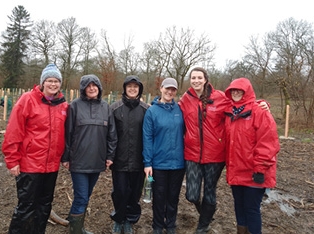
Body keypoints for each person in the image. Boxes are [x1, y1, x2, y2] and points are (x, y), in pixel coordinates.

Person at [178, 67, 269, 234]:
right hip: (192, 154)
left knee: (209, 192)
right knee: (191, 194)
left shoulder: (220, 97)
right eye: (193, 78)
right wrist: (156, 104)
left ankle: (203, 225)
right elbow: (172, 110)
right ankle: (207, 212)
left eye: (199, 77)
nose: (196, 80)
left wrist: (262, 104)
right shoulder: (186, 98)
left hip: (215, 155)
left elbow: (241, 105)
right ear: (190, 80)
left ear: (205, 79)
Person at [2, 63, 68, 234]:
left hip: (51, 166)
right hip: (30, 164)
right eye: (50, 81)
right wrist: (12, 160)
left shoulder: (62, 105)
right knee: (26, 206)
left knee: (44, 206)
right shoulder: (28, 100)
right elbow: (13, 131)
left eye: (56, 81)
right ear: (42, 82)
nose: (53, 84)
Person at [61, 74, 117, 234]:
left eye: (95, 85)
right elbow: (68, 133)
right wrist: (66, 157)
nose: (92, 88)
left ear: (99, 88)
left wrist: (109, 156)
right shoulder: (75, 106)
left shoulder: (106, 107)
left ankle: (74, 223)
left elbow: (112, 135)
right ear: (83, 89)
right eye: (88, 86)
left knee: (86, 195)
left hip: (97, 160)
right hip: (78, 161)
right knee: (81, 197)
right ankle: (76, 230)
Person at [224, 78, 279, 234]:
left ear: (247, 92)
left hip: (255, 172)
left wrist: (260, 169)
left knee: (251, 209)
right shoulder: (229, 112)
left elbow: (268, 143)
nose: (236, 93)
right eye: (233, 90)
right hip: (236, 169)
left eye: (239, 90)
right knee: (239, 206)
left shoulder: (259, 112)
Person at [142, 78, 185, 234]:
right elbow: (147, 138)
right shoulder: (152, 111)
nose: (170, 92)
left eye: (173, 89)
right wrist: (148, 163)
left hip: (178, 163)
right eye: (167, 88)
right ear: (161, 89)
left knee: (173, 196)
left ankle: (171, 224)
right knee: (159, 197)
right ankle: (158, 226)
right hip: (158, 163)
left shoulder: (180, 110)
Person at [109, 75, 150, 234]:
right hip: (119, 161)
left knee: (134, 193)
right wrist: (109, 156)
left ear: (140, 90)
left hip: (139, 161)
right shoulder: (114, 108)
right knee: (119, 192)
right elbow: (109, 135)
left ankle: (129, 221)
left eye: (136, 87)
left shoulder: (146, 110)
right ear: (125, 89)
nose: (132, 89)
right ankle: (118, 220)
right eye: (129, 86)